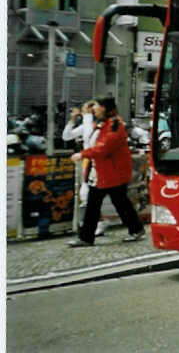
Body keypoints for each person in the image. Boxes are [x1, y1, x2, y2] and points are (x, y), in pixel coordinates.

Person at [67, 97, 145, 246]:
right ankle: (134, 229)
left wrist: (83, 154)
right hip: (104, 171)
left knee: (115, 203)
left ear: (104, 107)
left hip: (112, 172)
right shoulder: (104, 123)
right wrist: (88, 115)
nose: (94, 109)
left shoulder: (114, 124)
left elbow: (104, 147)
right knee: (108, 203)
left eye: (95, 106)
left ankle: (87, 237)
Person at [63, 100, 111, 235]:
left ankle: (96, 224)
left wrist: (86, 115)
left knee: (90, 194)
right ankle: (97, 223)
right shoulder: (87, 124)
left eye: (87, 108)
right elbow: (66, 136)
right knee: (88, 194)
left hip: (96, 163)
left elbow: (90, 143)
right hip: (87, 163)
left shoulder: (98, 125)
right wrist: (72, 120)